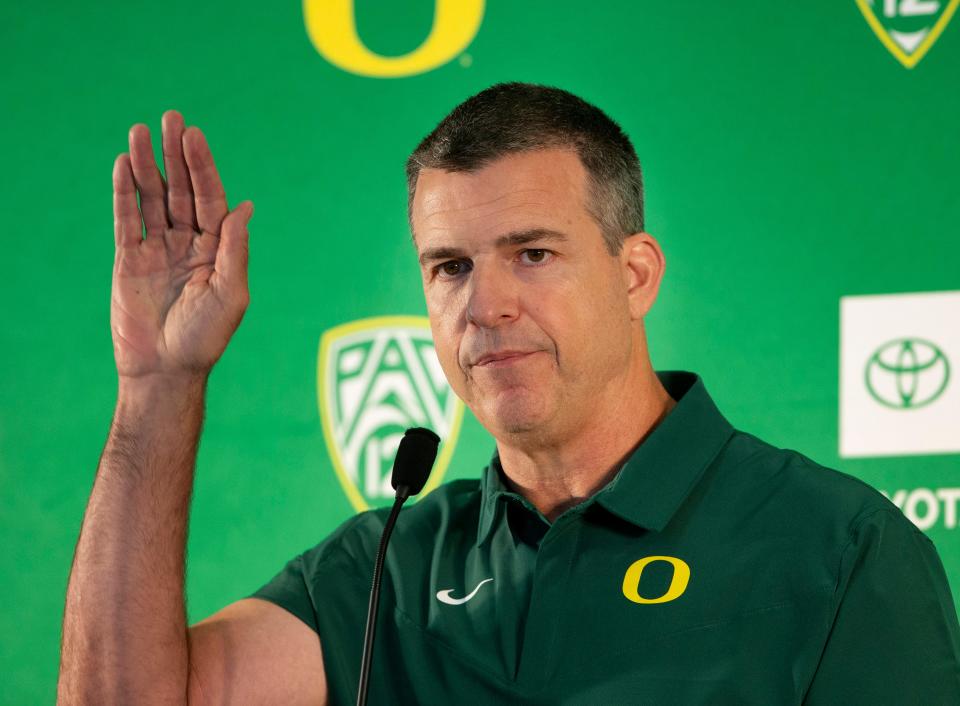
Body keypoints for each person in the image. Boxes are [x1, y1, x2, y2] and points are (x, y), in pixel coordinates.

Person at [58, 82, 960, 705]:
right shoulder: (387, 568)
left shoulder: (840, 549)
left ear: (636, 274)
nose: (485, 305)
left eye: (533, 253)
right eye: (450, 267)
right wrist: (157, 384)